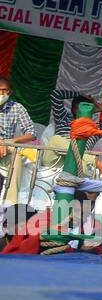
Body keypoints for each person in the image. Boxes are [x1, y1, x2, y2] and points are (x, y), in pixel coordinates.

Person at [0, 76, 36, 204]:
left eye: (5, 90)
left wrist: (8, 141)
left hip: (8, 148)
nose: (2, 94)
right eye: (0, 90)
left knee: (17, 159)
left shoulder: (16, 107)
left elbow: (32, 132)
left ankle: (9, 204)